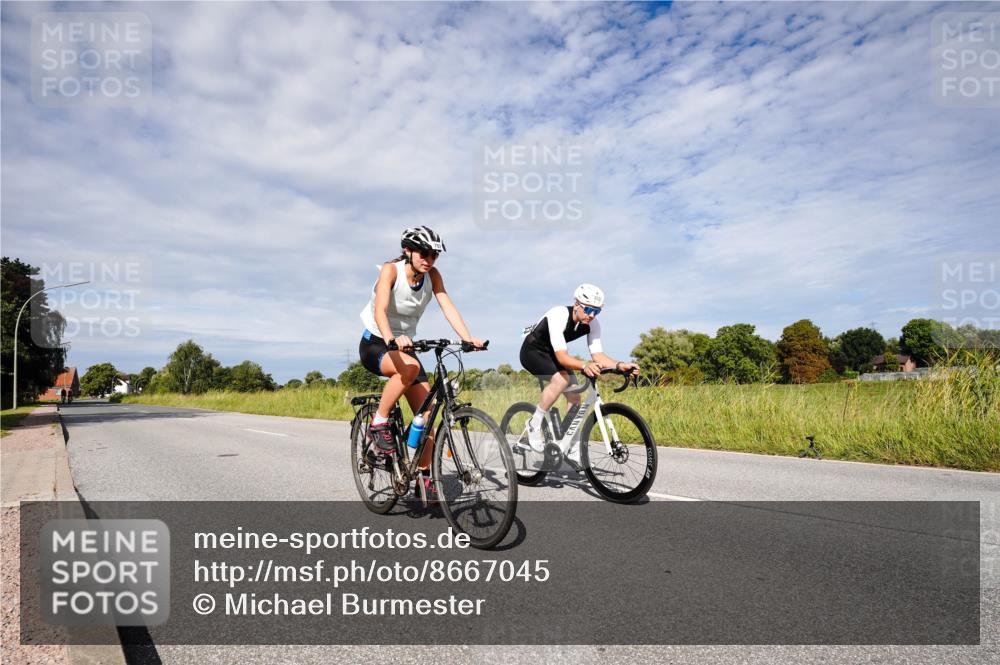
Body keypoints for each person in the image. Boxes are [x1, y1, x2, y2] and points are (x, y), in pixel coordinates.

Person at [358, 226, 486, 477]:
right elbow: (380, 310)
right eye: (423, 254)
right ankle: (379, 421)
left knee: (427, 416)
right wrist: (391, 339)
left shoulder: (433, 276)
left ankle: (423, 479)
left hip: (405, 346)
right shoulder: (391, 270)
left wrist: (467, 338)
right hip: (377, 342)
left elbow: (447, 306)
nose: (429, 260)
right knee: (411, 368)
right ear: (408, 250)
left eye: (434, 255)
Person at [518, 284, 640, 452]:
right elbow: (562, 358)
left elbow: (598, 356)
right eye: (588, 309)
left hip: (554, 353)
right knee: (562, 380)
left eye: (597, 311)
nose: (592, 315)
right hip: (533, 351)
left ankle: (567, 445)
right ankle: (534, 423)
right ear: (576, 304)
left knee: (575, 395)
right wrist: (584, 366)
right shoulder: (559, 314)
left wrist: (620, 365)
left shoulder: (593, 324)